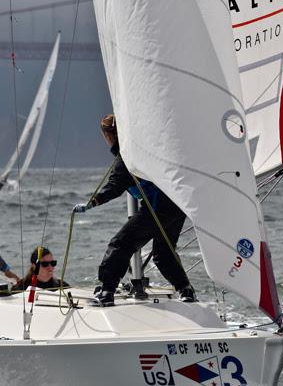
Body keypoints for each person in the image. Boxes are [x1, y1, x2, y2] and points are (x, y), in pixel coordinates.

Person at [73, 114, 195, 307]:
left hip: (158, 207)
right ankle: (185, 290)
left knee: (121, 244)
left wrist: (92, 203)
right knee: (163, 254)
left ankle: (107, 291)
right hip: (178, 205)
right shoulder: (144, 148)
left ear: (108, 135)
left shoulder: (127, 157)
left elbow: (114, 186)